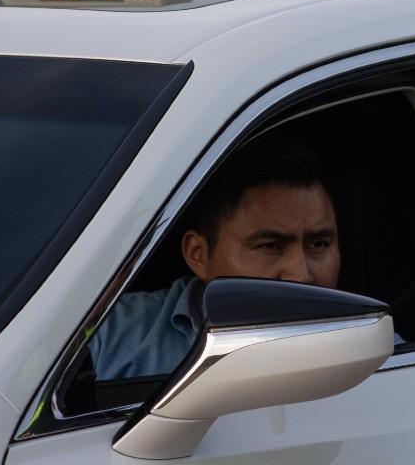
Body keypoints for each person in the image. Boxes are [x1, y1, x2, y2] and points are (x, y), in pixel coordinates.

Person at [90, 138, 340, 380]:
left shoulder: (368, 342)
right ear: (198, 254)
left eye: (318, 244)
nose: (301, 275)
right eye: (270, 246)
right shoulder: (111, 333)